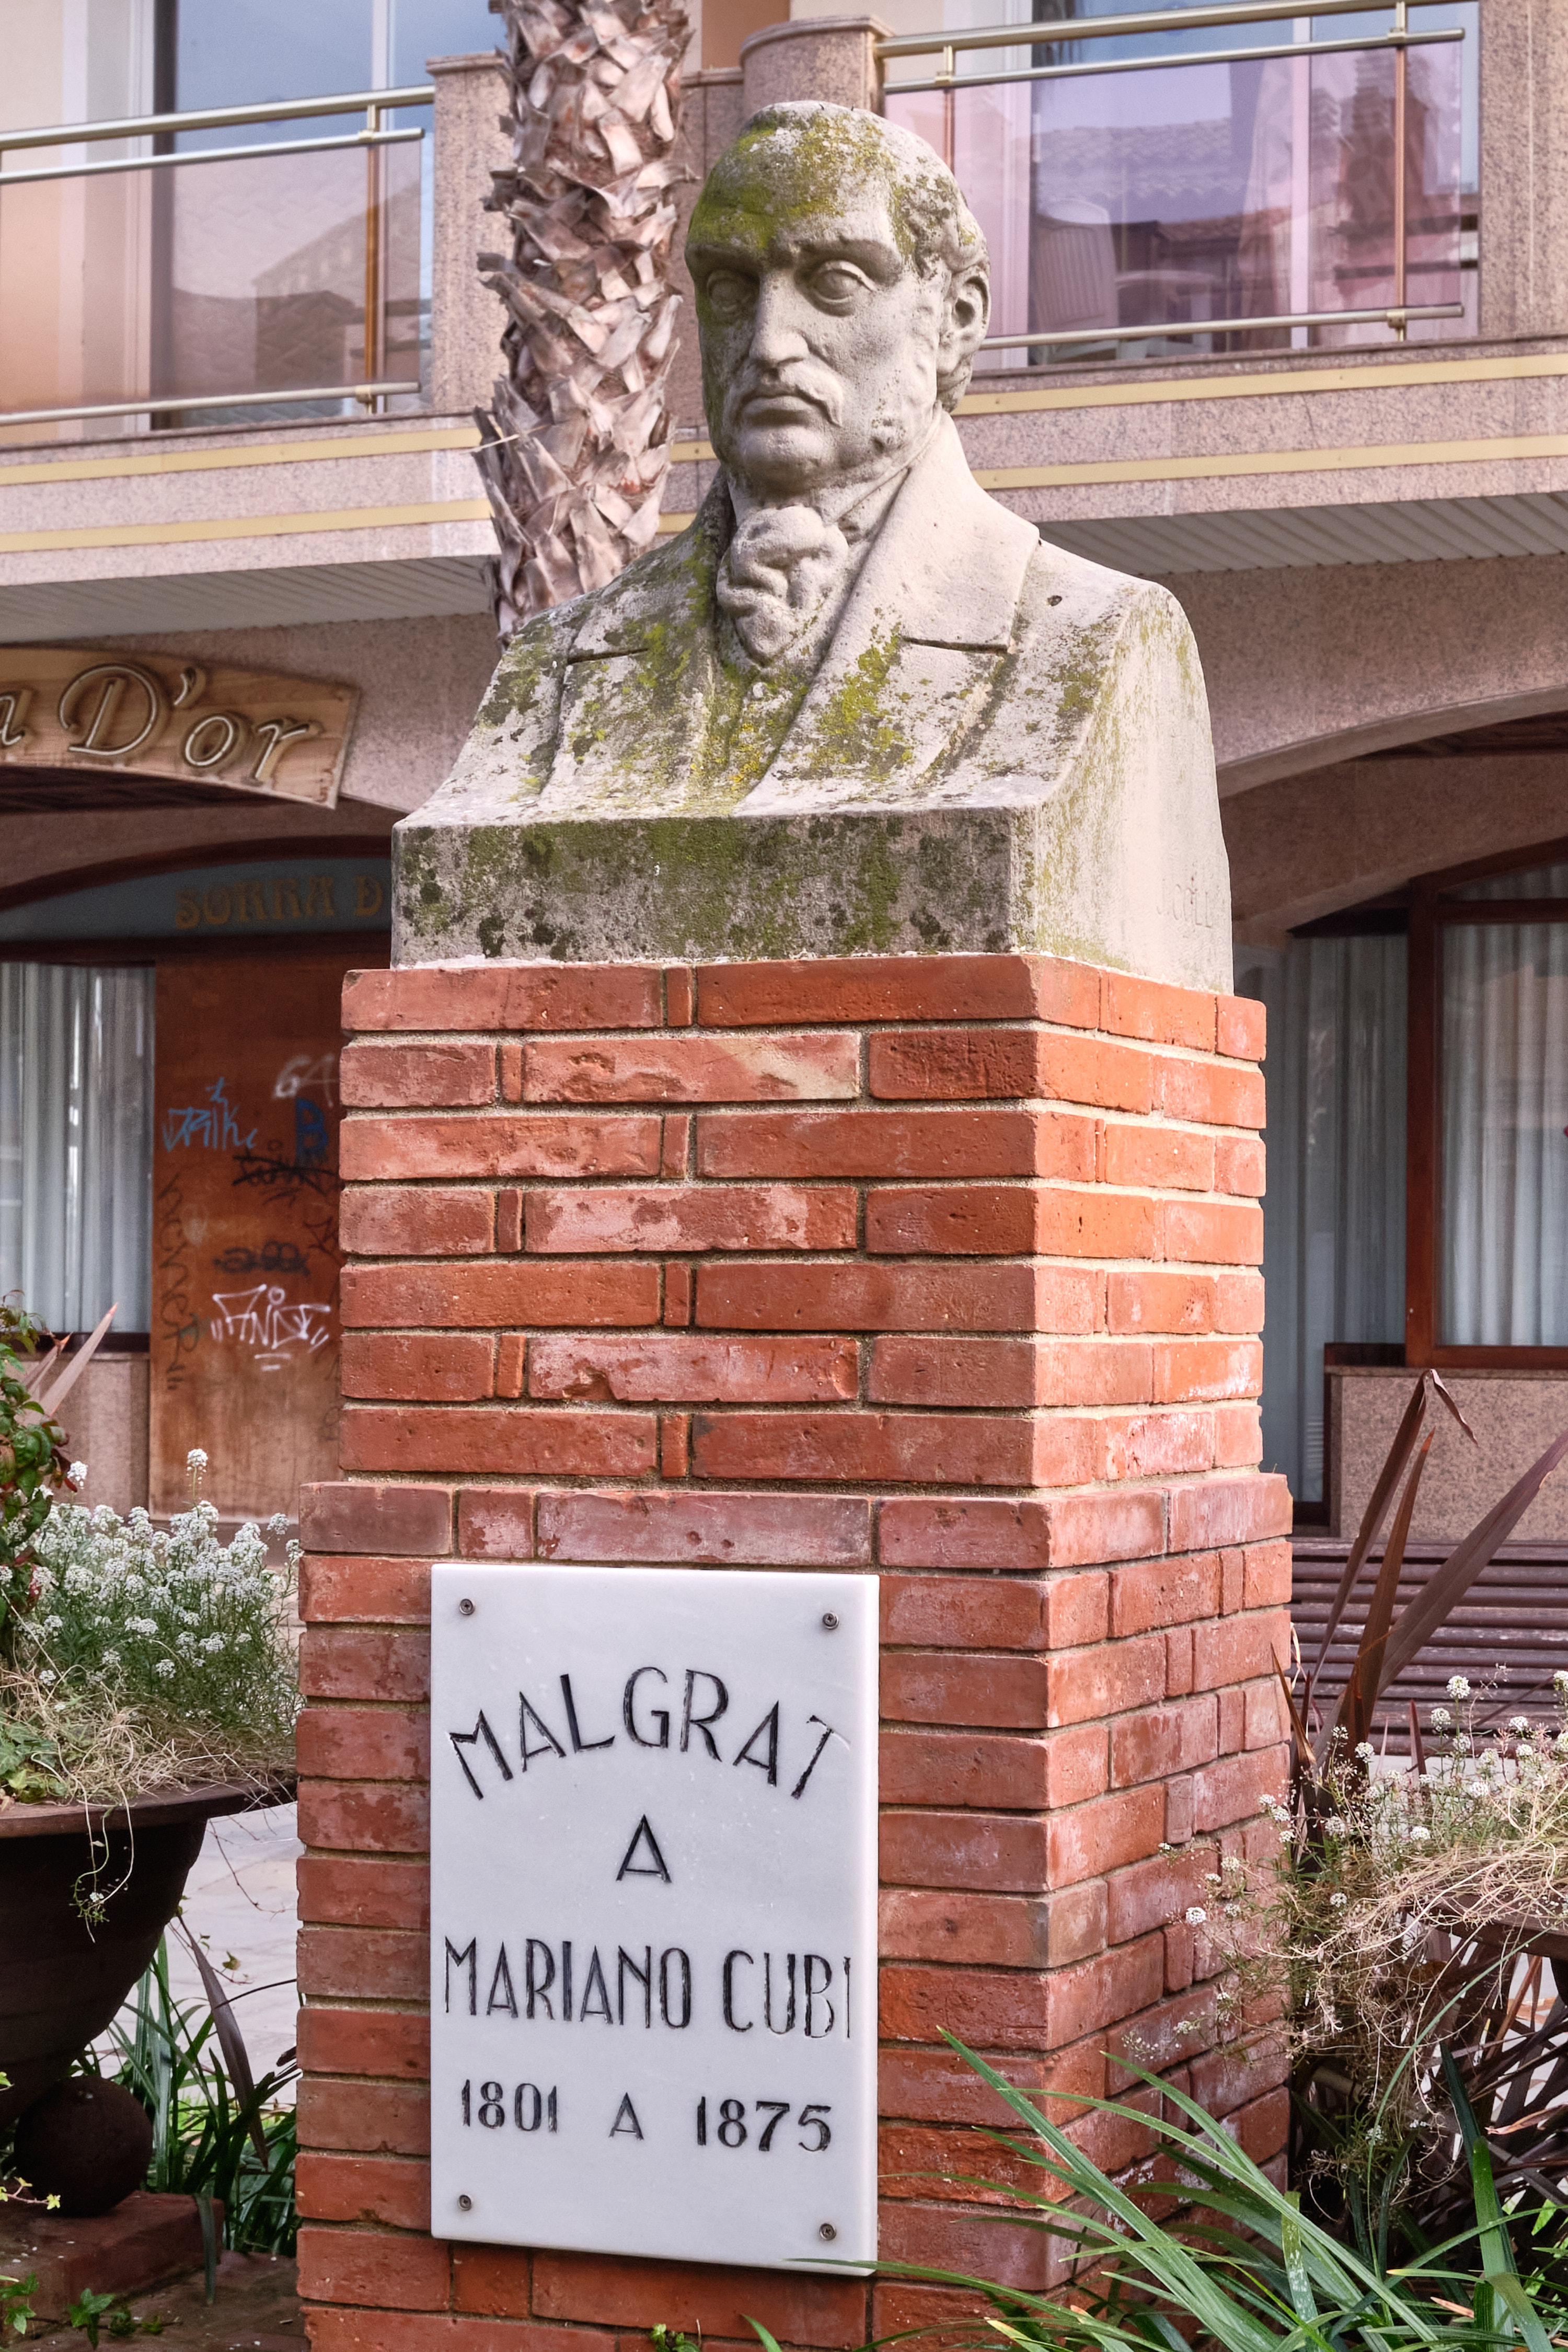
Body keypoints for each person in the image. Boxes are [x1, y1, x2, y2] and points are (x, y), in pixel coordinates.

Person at [410, 100, 1231, 986]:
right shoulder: (554, 663)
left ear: (955, 318)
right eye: (730, 289)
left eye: (835, 282)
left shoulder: (1101, 642)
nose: (768, 344)